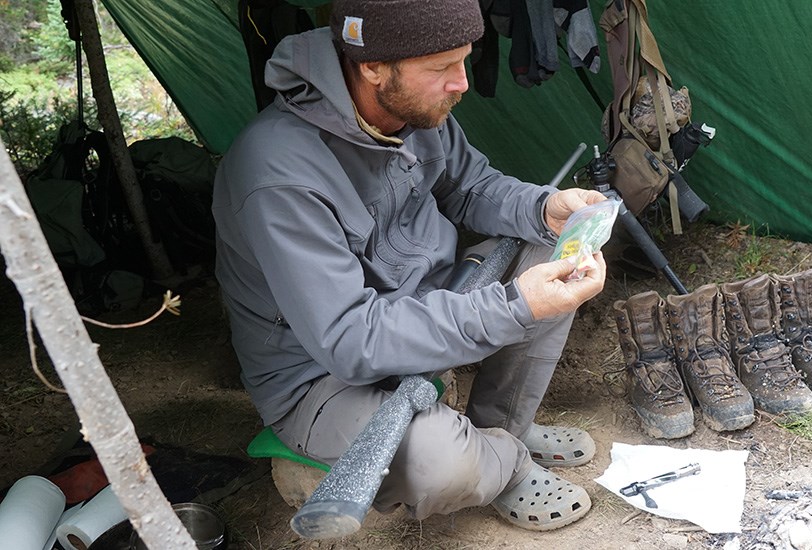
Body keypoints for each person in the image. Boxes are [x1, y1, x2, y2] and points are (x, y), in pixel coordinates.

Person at [213, 0, 608, 533]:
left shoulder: (415, 111)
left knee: (550, 253)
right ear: (372, 66)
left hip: (419, 305)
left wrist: (542, 207)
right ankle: (504, 464)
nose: (461, 84)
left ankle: (502, 430)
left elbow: (471, 186)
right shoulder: (276, 173)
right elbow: (351, 340)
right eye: (442, 68)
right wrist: (513, 306)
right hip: (321, 375)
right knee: (440, 463)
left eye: (464, 61)